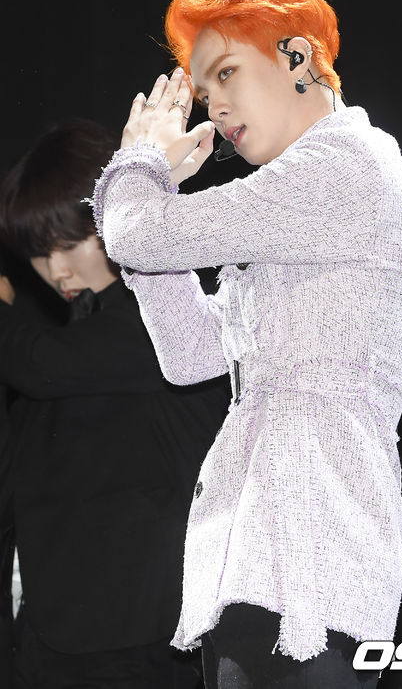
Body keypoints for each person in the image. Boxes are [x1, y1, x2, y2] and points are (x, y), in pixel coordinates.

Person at [89, 0, 402, 689]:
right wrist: (152, 205)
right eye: (204, 90)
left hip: (311, 551)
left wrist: (139, 166)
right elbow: (190, 352)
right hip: (262, 550)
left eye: (226, 74)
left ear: (296, 57)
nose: (215, 107)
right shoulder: (304, 213)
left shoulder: (342, 169)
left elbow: (139, 234)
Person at [0, 118, 230, 689]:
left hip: (141, 643)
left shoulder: (166, 315)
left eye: (68, 244)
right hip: (55, 639)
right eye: (38, 254)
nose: (56, 271)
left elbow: (42, 363)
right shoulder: (79, 333)